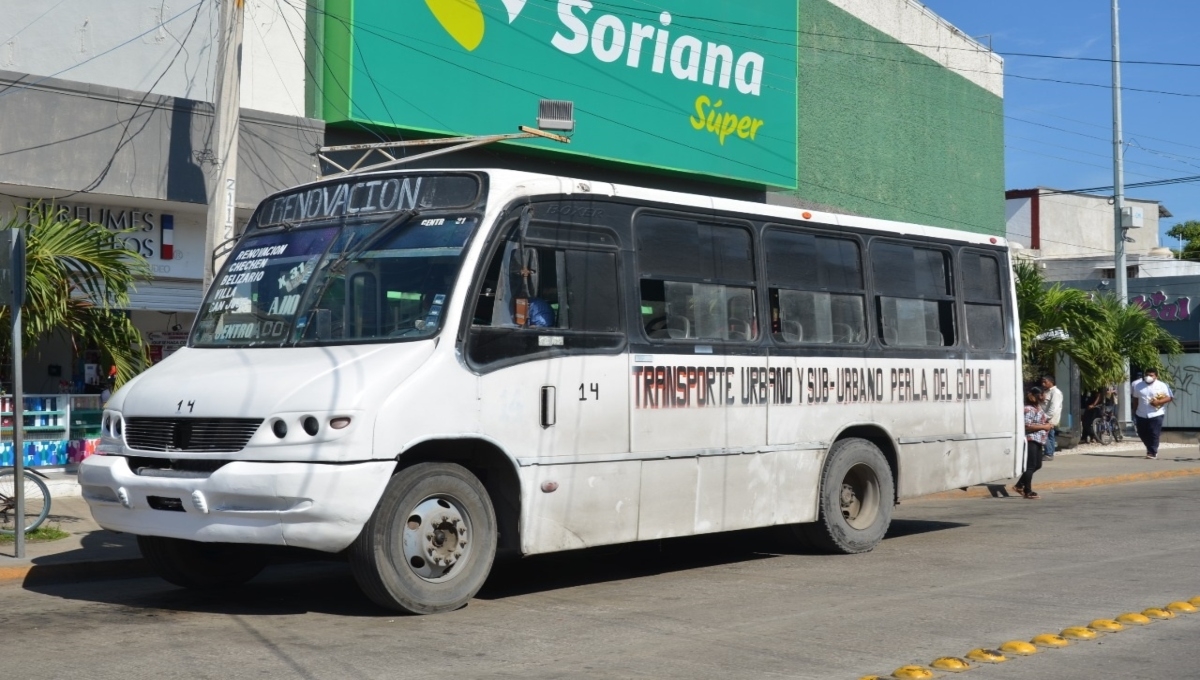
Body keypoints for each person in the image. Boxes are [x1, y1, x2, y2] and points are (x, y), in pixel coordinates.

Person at [1016, 386, 1053, 499]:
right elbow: (1027, 426)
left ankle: (1019, 485)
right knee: (1030, 466)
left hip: (1039, 439)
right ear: (1036, 396)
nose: (1045, 396)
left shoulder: (1038, 408)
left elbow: (1045, 418)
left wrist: (1049, 424)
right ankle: (1028, 490)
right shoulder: (1028, 409)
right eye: (1042, 394)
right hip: (1031, 439)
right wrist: (1044, 426)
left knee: (1038, 464)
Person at [1131, 368, 1173, 459]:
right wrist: (1134, 411)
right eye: (1147, 375)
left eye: (1151, 375)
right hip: (1141, 413)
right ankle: (1150, 447)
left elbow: (1169, 397)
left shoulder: (1162, 385)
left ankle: (1152, 452)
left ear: (1156, 376)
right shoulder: (1138, 386)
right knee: (1141, 433)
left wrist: (1158, 402)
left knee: (1153, 433)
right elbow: (1135, 399)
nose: (1148, 377)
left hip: (1156, 413)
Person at [1039, 375, 1063, 460]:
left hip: (1049, 418)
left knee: (1044, 434)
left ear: (1051, 382)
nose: (1043, 384)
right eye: (1042, 382)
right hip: (1045, 417)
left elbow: (1053, 407)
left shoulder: (1055, 392)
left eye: (1045, 382)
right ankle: (1050, 453)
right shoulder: (1047, 392)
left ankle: (1048, 453)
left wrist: (1045, 417)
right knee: (1049, 435)